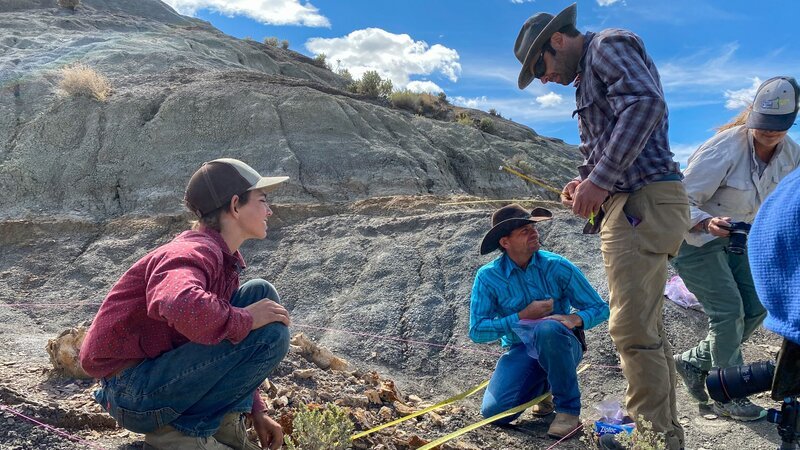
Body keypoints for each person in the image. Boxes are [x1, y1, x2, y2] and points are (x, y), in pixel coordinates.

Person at [514, 4, 690, 449]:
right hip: (636, 204)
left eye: (540, 66)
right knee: (645, 330)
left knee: (630, 330)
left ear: (557, 40)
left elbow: (646, 104)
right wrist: (585, 180)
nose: (543, 79)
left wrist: (601, 180)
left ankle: (652, 438)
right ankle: (658, 431)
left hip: (641, 204)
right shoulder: (589, 70)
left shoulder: (608, 44)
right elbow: (620, 134)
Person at [80, 158, 292, 450]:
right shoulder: (193, 251)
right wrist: (246, 320)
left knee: (260, 294)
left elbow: (224, 349)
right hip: (133, 392)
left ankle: (226, 423)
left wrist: (256, 409)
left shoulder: (219, 257)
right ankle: (179, 435)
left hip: (153, 380)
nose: (269, 210)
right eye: (262, 200)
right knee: (271, 332)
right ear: (234, 206)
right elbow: (178, 302)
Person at [671, 76, 800, 421]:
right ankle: (728, 395)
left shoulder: (792, 155)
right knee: (728, 313)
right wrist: (705, 222)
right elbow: (677, 199)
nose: (769, 133)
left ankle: (693, 361)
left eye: (778, 127)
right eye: (763, 125)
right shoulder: (723, 147)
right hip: (695, 239)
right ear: (752, 115)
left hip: (743, 240)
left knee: (758, 306)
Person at [469, 204, 609, 439]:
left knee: (547, 328)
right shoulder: (487, 277)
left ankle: (567, 411)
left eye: (533, 227)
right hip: (521, 349)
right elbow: (477, 331)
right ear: (505, 242)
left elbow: (600, 308)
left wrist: (574, 319)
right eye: (524, 230)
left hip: (563, 344)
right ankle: (545, 389)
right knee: (495, 413)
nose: (534, 232)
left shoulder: (557, 265)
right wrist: (522, 316)